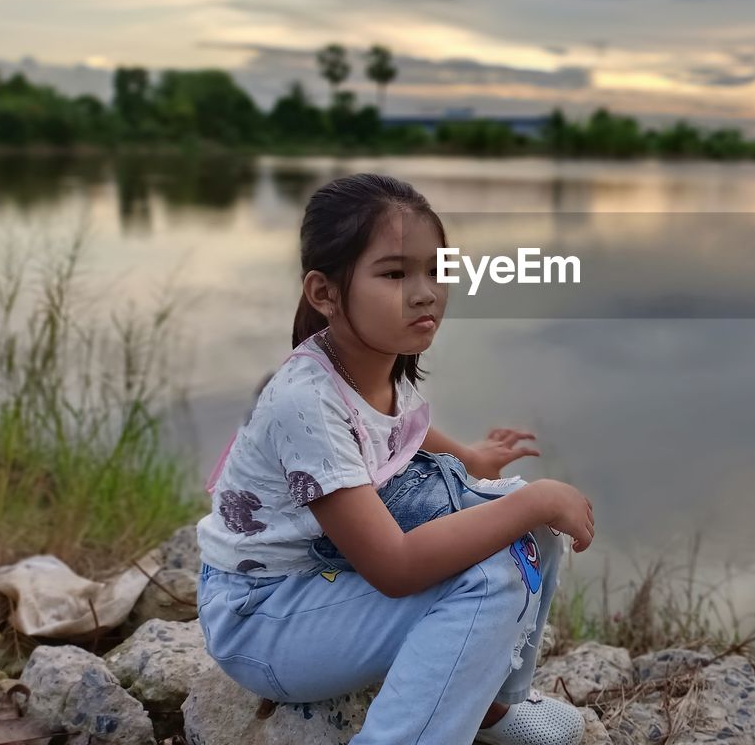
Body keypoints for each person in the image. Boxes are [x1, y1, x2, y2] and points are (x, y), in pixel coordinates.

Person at [195, 173, 595, 745]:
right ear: (324, 292)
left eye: (436, 270)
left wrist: (474, 459)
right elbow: (395, 566)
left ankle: (488, 707)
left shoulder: (375, 362)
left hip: (324, 580)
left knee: (530, 535)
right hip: (263, 620)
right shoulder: (304, 402)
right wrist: (536, 499)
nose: (426, 291)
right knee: (499, 567)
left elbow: (401, 427)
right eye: (394, 273)